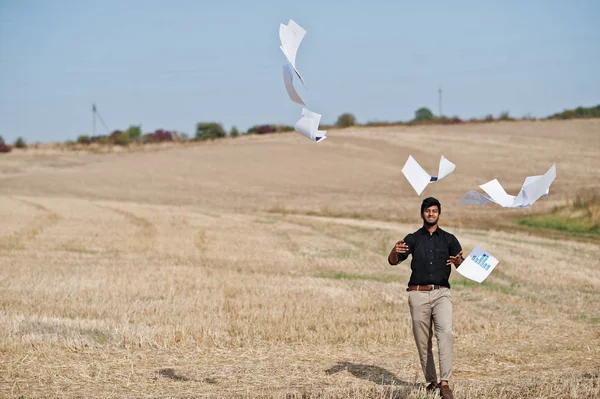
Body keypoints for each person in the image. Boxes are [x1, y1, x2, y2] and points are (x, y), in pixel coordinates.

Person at [387, 197, 464, 399]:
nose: (431, 214)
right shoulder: (413, 238)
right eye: (428, 211)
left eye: (434, 211)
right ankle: (431, 381)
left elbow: (463, 265)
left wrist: (458, 262)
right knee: (423, 341)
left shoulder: (449, 239)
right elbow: (393, 262)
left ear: (439, 214)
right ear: (422, 213)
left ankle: (445, 383)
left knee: (445, 333)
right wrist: (394, 251)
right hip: (417, 293)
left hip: (441, 293)